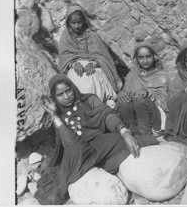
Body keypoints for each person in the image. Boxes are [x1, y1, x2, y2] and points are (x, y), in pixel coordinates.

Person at [34, 74, 158, 205]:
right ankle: (94, 164)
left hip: (99, 144)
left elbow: (107, 116)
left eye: (68, 91)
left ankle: (90, 165)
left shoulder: (89, 100)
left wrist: (125, 132)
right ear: (54, 98)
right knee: (74, 150)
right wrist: (54, 116)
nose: (66, 96)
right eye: (60, 94)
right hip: (78, 151)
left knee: (120, 138)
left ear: (73, 87)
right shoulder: (57, 113)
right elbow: (69, 144)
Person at [58, 4, 122, 102]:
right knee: (74, 80)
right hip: (74, 68)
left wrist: (93, 63)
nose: (76, 26)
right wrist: (74, 64)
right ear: (68, 22)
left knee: (94, 81)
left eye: (79, 22)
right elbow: (64, 58)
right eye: (73, 23)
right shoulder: (65, 36)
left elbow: (103, 57)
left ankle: (98, 103)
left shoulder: (92, 34)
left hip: (94, 66)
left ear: (84, 21)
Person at [116, 42, 168, 136]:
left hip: (155, 118)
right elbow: (126, 92)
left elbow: (164, 101)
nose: (145, 61)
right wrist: (121, 93)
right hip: (137, 118)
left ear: (154, 57)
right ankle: (134, 132)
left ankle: (146, 134)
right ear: (136, 59)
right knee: (123, 102)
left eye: (148, 56)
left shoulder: (161, 75)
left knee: (141, 101)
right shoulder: (132, 75)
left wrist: (148, 94)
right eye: (141, 57)